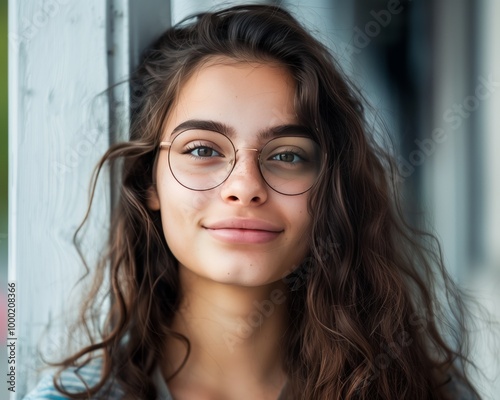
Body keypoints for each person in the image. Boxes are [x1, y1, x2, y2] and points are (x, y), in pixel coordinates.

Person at [25, 4, 481, 399]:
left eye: (286, 155)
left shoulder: (421, 390)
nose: (244, 186)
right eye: (202, 150)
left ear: (330, 189)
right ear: (149, 180)